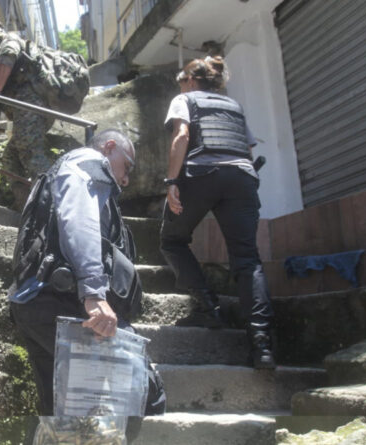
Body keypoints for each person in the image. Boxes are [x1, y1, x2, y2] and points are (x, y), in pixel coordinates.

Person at [8, 129, 166, 417]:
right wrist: (93, 293)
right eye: (127, 165)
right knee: (146, 394)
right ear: (108, 147)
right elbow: (79, 223)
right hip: (66, 305)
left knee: (62, 413)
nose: (127, 178)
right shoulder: (88, 163)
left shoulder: (59, 172)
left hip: (34, 301)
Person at [160, 56, 276, 369]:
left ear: (192, 80)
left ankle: (209, 308)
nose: (181, 85)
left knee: (172, 239)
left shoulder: (184, 99)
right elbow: (248, 150)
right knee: (247, 259)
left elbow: (181, 135)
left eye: (182, 79)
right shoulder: (234, 106)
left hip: (200, 173)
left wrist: (172, 181)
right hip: (242, 177)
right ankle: (262, 346)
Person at [0, 32, 57, 210]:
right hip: (37, 104)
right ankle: (23, 201)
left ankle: (53, 204)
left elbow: (7, 57)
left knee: (31, 153)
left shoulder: (10, 40)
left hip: (30, 102)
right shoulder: (30, 49)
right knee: (11, 156)